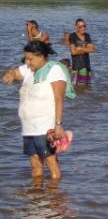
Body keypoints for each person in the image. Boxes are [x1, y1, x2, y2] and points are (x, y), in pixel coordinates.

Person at [2, 41, 75, 180]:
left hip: (45, 127)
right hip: (28, 128)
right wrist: (9, 74)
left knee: (51, 162)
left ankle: (54, 197)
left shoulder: (54, 70)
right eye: (26, 59)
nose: (27, 62)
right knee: (35, 164)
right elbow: (14, 72)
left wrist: (58, 124)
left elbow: (59, 99)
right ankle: (36, 196)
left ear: (41, 56)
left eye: (30, 58)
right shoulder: (28, 69)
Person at [69, 18, 95, 85]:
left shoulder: (87, 36)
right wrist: (86, 49)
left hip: (86, 65)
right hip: (76, 66)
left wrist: (80, 48)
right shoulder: (72, 36)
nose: (83, 28)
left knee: (86, 87)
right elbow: (73, 52)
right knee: (74, 86)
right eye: (80, 27)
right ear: (76, 27)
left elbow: (92, 49)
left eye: (84, 26)